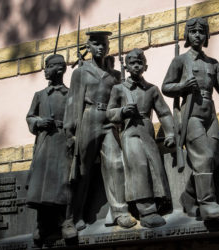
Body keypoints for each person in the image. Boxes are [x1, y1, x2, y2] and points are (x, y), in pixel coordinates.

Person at [162, 17, 219, 220]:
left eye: (201, 31)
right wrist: (182, 87)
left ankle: (189, 198)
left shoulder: (212, 64)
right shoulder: (180, 61)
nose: (197, 35)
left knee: (211, 161)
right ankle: (207, 204)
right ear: (187, 35)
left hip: (210, 114)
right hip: (191, 115)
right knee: (203, 158)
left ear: (207, 36)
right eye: (193, 31)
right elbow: (166, 87)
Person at [63, 31, 136, 230]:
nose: (101, 47)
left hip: (109, 119)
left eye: (104, 44)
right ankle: (72, 217)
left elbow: (122, 97)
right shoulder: (80, 71)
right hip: (89, 117)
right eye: (96, 44)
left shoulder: (115, 75)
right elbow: (73, 101)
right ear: (88, 47)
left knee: (115, 163)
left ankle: (120, 212)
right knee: (81, 169)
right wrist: (70, 130)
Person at [107, 48, 175, 228]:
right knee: (139, 166)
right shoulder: (119, 89)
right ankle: (146, 210)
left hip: (147, 130)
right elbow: (109, 113)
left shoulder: (152, 89)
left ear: (146, 66)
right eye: (132, 63)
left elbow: (164, 113)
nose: (136, 66)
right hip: (129, 131)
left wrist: (169, 132)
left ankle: (159, 202)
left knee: (154, 166)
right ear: (126, 67)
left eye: (139, 62)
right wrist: (122, 111)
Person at [26, 54, 77, 244]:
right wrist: (39, 122)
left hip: (64, 141)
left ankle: (66, 221)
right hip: (45, 142)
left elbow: (77, 117)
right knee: (41, 183)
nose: (45, 71)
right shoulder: (39, 95)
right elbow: (30, 117)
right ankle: (42, 223)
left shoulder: (71, 94)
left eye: (48, 67)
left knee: (64, 181)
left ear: (60, 69)